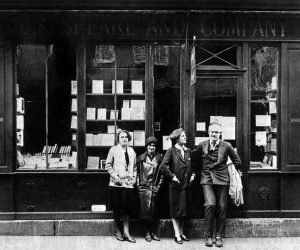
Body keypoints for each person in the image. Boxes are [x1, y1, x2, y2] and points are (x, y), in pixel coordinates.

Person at [193, 122, 242, 247]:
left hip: (222, 178)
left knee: (221, 206)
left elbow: (237, 161)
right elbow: (195, 161)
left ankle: (219, 235)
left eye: (217, 132)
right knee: (210, 204)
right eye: (212, 132)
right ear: (208, 132)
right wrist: (194, 173)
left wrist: (237, 173)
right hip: (207, 177)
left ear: (220, 133)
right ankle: (208, 235)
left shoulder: (227, 146)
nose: (214, 134)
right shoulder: (202, 145)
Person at [160, 128, 195, 244]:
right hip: (175, 186)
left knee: (183, 211)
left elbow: (193, 166)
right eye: (183, 136)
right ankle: (176, 234)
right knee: (176, 211)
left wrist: (193, 175)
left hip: (186, 186)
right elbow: (163, 166)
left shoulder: (188, 151)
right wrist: (172, 176)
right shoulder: (171, 151)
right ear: (177, 138)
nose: (185, 137)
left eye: (185, 135)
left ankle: (181, 233)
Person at [105, 130, 137, 243]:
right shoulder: (113, 150)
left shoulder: (132, 151)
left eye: (126, 137)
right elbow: (108, 165)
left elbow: (135, 167)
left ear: (128, 139)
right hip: (116, 184)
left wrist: (134, 178)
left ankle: (127, 233)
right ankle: (118, 231)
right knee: (117, 209)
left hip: (128, 185)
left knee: (126, 209)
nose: (124, 139)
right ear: (118, 139)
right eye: (122, 137)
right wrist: (115, 176)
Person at [136, 136, 164, 242]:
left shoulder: (160, 158)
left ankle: (153, 231)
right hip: (143, 188)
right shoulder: (141, 158)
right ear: (146, 147)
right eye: (149, 145)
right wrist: (138, 186)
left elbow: (162, 175)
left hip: (154, 188)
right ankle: (147, 232)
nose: (151, 147)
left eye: (153, 146)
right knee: (144, 212)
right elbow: (137, 173)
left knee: (154, 211)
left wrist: (159, 186)